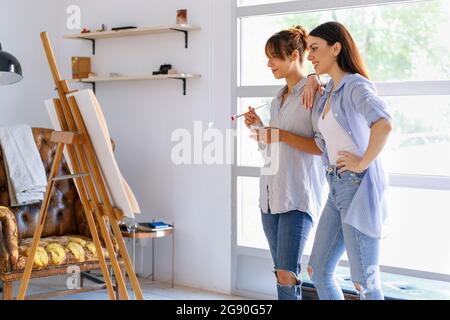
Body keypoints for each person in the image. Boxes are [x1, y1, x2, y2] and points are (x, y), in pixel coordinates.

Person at [305, 21, 393, 300]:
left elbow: (383, 123)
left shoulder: (354, 85)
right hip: (336, 185)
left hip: (356, 186)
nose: (310, 56)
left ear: (336, 48)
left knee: (364, 283)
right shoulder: (329, 90)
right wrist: (312, 78)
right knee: (317, 270)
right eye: (308, 50)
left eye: (315, 49)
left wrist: (362, 162)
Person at [244, 26, 324, 300]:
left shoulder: (314, 93)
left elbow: (321, 147)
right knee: (280, 271)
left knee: (287, 274)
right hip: (269, 196)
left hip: (297, 196)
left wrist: (280, 134)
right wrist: (260, 129)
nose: (268, 64)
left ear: (293, 55)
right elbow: (273, 148)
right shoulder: (278, 99)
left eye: (274, 57)